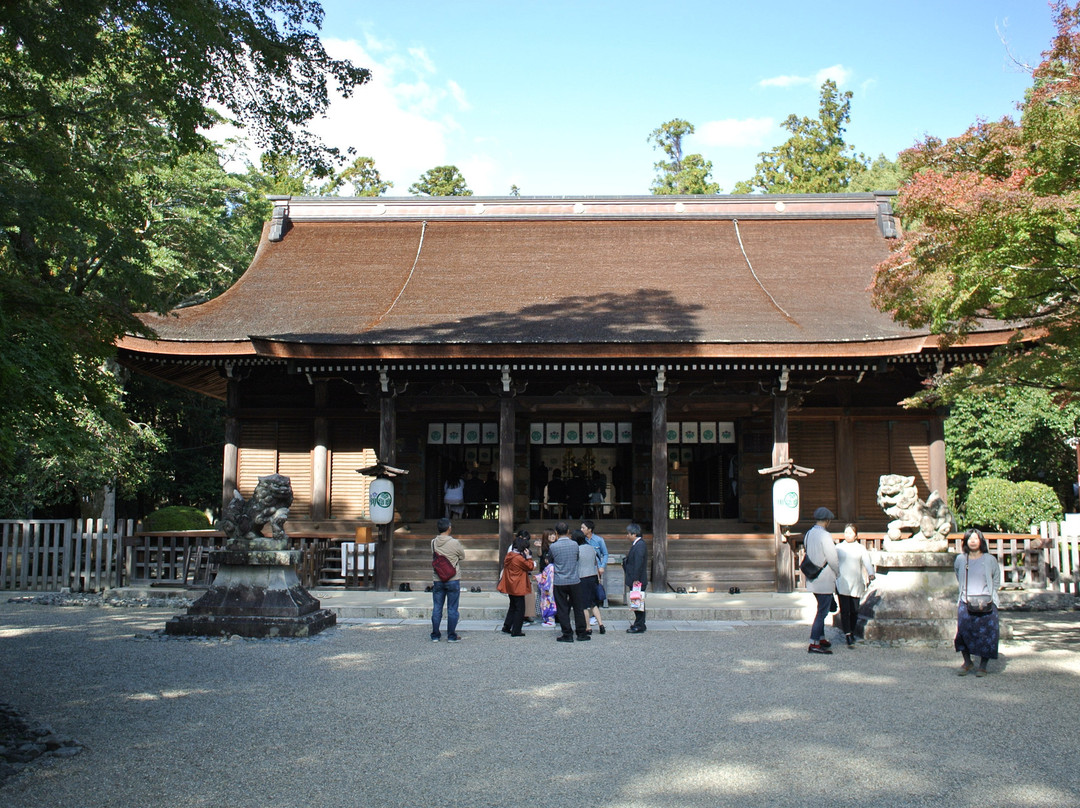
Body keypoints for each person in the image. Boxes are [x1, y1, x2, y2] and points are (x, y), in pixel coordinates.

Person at [954, 527, 1001, 677]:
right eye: (970, 538)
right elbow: (958, 574)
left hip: (986, 600)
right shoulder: (961, 559)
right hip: (966, 599)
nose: (973, 541)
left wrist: (991, 594)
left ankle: (983, 665)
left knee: (988, 634)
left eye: (976, 538)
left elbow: (996, 578)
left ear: (981, 541)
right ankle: (967, 661)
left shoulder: (989, 559)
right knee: (963, 632)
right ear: (965, 541)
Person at [803, 506, 840, 654]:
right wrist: (838, 572)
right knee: (822, 612)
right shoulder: (825, 536)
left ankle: (821, 637)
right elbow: (832, 558)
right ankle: (814, 642)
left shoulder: (808, 534)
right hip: (824, 577)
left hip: (812, 577)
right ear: (827, 521)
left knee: (821, 608)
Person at [835, 523, 875, 646]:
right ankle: (847, 633)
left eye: (850, 533)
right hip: (842, 581)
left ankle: (851, 630)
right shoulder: (839, 547)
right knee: (845, 609)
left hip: (856, 581)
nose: (848, 535)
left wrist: (871, 573)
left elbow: (867, 561)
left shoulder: (860, 548)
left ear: (856, 535)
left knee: (854, 610)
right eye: (846, 532)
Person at [548, 522, 589, 642]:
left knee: (562, 608)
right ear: (568, 531)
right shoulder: (575, 545)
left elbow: (550, 560)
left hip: (560, 580)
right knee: (578, 607)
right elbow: (576, 558)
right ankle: (581, 633)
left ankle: (567, 633)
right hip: (574, 579)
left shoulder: (553, 547)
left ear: (556, 533)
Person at [430, 517, 465, 642]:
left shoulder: (433, 542)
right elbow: (462, 555)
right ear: (449, 528)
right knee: (452, 608)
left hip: (438, 578)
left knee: (437, 607)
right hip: (453, 578)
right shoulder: (454, 543)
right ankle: (451, 635)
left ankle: (435, 635)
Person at [498, 531, 535, 637]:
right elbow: (530, 566)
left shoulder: (510, 555)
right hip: (518, 585)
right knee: (520, 608)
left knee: (513, 606)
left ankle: (507, 626)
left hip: (510, 584)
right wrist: (529, 557)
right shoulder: (518, 558)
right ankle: (516, 630)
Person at [575, 529, 605, 634]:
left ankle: (588, 627)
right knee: (593, 603)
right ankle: (601, 625)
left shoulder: (577, 549)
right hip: (593, 577)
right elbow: (596, 563)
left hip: (582, 577)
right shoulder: (592, 548)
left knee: (584, 605)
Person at [581, 520, 609, 624]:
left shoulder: (599, 540)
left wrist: (602, 566)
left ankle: (594, 615)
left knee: (595, 591)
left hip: (596, 570)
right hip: (585, 569)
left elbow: (605, 554)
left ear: (589, 529)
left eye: (583, 528)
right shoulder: (582, 540)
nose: (581, 530)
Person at [623, 522, 648, 634]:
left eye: (628, 534)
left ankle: (639, 624)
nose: (627, 536)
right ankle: (640, 623)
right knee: (637, 602)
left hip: (637, 580)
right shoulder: (638, 545)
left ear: (634, 534)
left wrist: (635, 578)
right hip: (636, 578)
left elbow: (638, 562)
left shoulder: (640, 545)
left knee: (637, 602)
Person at [534, 529, 557, 627]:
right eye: (550, 535)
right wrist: (539, 547)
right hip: (544, 574)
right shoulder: (544, 547)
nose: (553, 537)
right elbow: (540, 555)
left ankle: (552, 615)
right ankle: (542, 614)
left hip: (554, 574)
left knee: (552, 595)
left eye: (554, 535)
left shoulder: (556, 546)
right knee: (542, 594)